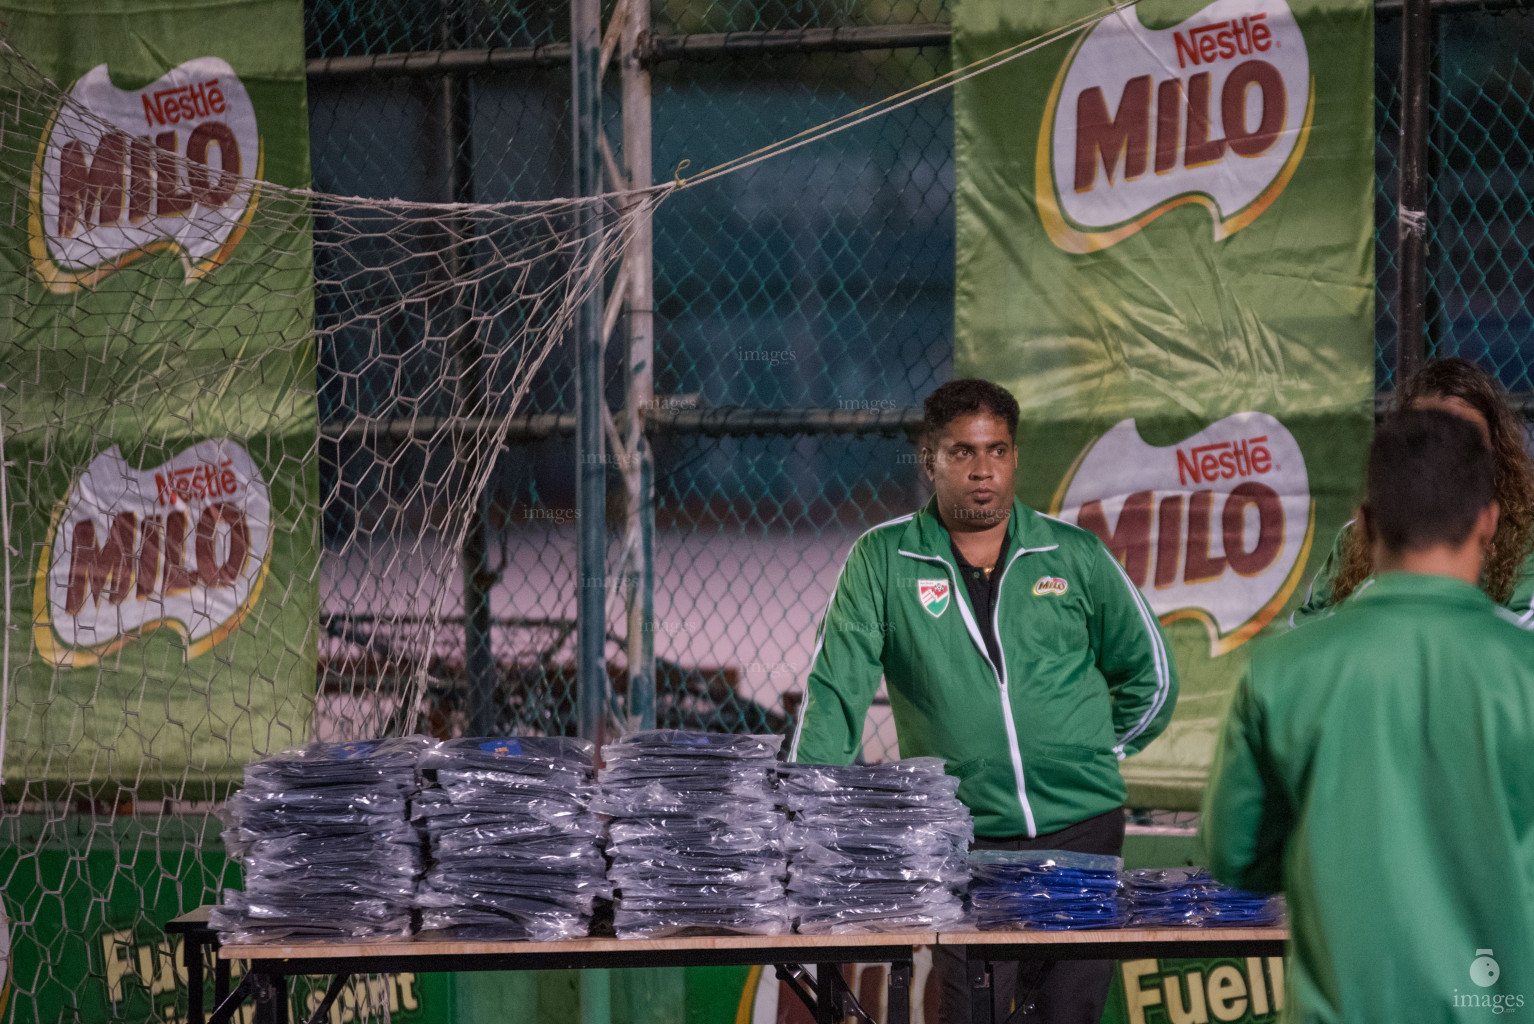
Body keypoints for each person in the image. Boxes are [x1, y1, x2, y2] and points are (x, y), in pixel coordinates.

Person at [790, 379, 1177, 1024]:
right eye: (962, 453)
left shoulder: (1074, 555)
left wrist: (1090, 749)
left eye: (997, 451)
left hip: (1082, 828)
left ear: (1016, 458)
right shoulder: (883, 560)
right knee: (974, 1014)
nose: (982, 471)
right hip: (962, 838)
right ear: (929, 459)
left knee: (1066, 1016)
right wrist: (804, 817)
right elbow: (835, 692)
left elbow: (1151, 675)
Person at [1201, 409, 1534, 1023]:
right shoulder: (1524, 670)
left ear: (1369, 524)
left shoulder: (1279, 670)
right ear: (1489, 521)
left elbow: (1235, 854)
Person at [1291, 357, 1534, 625]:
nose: (1443, 456)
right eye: (1425, 438)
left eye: (1466, 442)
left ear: (1496, 454)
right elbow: (1304, 630)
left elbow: (1521, 642)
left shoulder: (1525, 537)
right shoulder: (1354, 538)